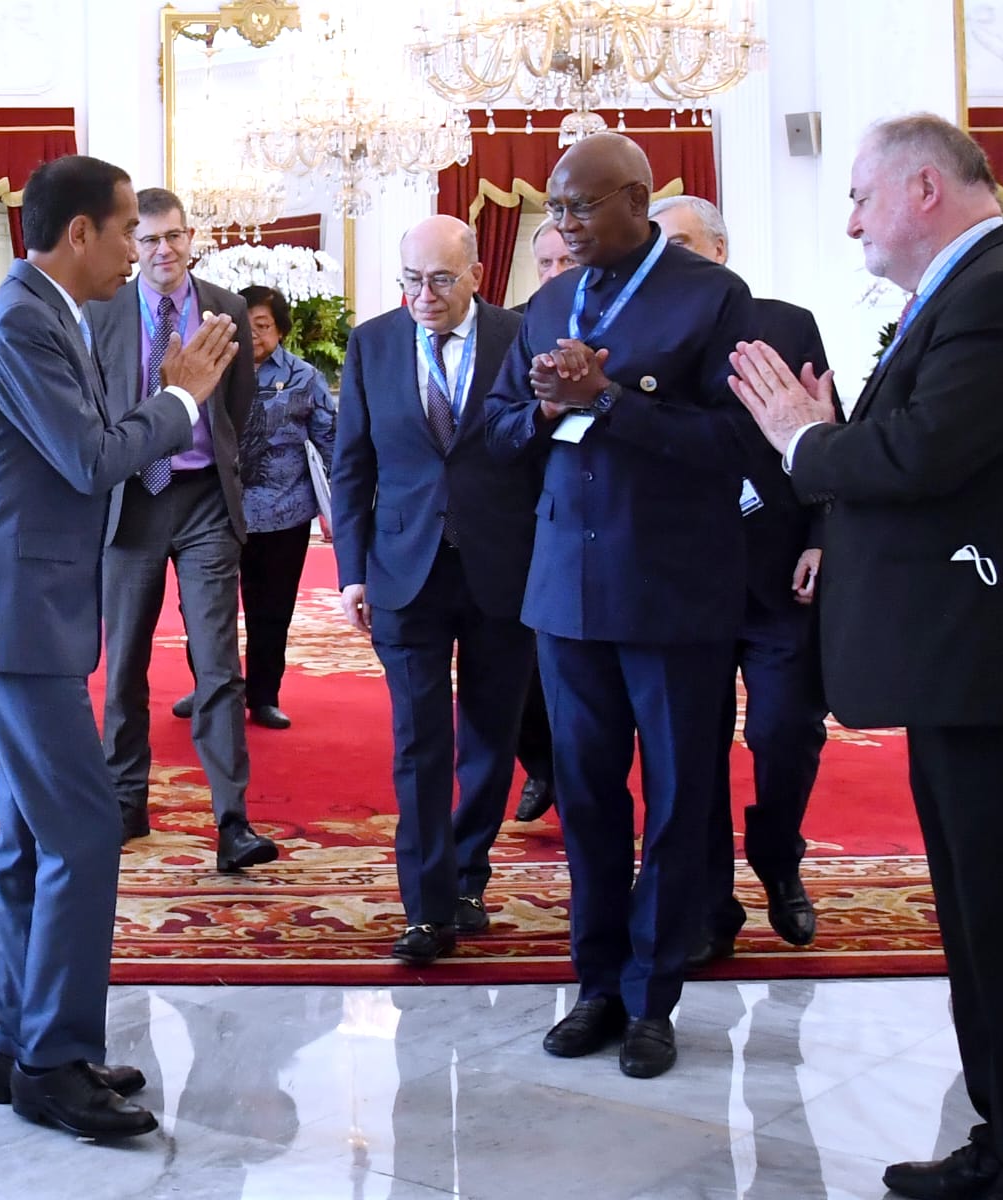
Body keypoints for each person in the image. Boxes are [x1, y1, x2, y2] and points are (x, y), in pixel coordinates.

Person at [729, 114, 1003, 1199]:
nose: (851, 223)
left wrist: (802, 437)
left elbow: (922, 455)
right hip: (977, 668)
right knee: (986, 928)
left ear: (923, 189)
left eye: (859, 196)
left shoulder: (1002, 291)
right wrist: (826, 434)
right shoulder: (975, 288)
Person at [0, 153, 241, 1139]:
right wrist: (181, 399)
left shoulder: (49, 312)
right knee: (82, 831)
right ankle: (52, 1063)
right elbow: (90, 457)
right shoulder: (25, 320)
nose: (134, 254)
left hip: (31, 605)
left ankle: (20, 1044)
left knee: (34, 839)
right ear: (81, 234)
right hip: (17, 609)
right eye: (124, 234)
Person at [484, 133, 758, 1079]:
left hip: (673, 589)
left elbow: (737, 443)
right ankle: (597, 985)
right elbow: (499, 432)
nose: (561, 224)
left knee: (678, 801)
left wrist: (607, 400)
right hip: (567, 590)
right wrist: (544, 409)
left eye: (580, 206)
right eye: (555, 208)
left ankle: (653, 998)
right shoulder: (548, 301)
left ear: (638, 200)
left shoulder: (712, 297)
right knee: (589, 798)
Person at [332, 215, 540, 966]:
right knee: (418, 739)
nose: (425, 295)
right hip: (403, 568)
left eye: (442, 279)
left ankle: (467, 879)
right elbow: (352, 464)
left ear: (476, 274)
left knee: (490, 735)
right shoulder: (373, 343)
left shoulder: (520, 336)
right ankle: (425, 909)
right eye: (412, 280)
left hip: (501, 566)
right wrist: (351, 571)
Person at [648, 194, 835, 966]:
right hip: (678, 577)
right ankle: (709, 906)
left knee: (785, 730)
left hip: (776, 572)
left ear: (720, 251)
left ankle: (778, 850)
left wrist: (822, 537)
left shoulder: (786, 325)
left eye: (684, 245)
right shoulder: (640, 332)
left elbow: (825, 434)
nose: (670, 261)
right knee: (690, 749)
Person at [87, 187, 276, 872]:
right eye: (148, 239)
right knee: (125, 663)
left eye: (173, 236)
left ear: (191, 238)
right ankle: (125, 802)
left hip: (203, 502)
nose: (162, 251)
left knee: (219, 664)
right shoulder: (104, 310)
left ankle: (233, 822)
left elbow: (240, 404)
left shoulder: (225, 307)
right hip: (133, 500)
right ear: (131, 245)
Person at [170, 285, 336, 731]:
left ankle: (264, 696)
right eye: (246, 326)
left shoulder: (304, 378)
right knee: (204, 607)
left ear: (281, 329)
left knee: (271, 610)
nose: (255, 335)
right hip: (215, 511)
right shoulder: (210, 370)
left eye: (263, 326)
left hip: (283, 513)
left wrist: (342, 505)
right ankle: (208, 687)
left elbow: (331, 442)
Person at [510, 215, 579, 822]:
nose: (555, 273)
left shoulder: (619, 327)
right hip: (521, 520)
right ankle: (543, 764)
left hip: (598, 518)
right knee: (521, 670)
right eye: (546, 263)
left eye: (567, 261)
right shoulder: (518, 327)